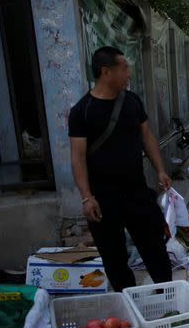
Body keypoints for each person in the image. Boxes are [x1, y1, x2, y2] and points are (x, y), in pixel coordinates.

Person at [68, 46, 172, 291]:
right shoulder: (82, 112)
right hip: (103, 199)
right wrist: (86, 197)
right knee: (115, 260)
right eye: (124, 68)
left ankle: (168, 298)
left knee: (155, 250)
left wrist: (160, 169)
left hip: (137, 191)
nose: (128, 74)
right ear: (106, 72)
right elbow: (78, 157)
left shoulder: (132, 101)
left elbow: (147, 138)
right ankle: (129, 305)